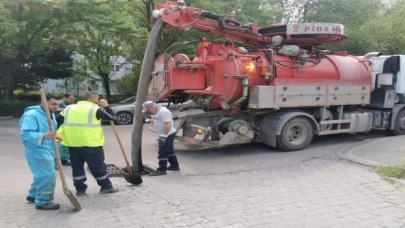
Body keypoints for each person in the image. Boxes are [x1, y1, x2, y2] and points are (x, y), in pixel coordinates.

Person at [56, 92, 119, 196]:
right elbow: (112, 117)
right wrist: (106, 106)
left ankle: (80, 190)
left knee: (77, 167)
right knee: (98, 166)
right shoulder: (95, 109)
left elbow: (57, 119)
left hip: (73, 143)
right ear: (93, 99)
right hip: (91, 144)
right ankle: (106, 186)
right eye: (97, 99)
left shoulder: (69, 108)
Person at [19, 94, 62, 210]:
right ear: (43, 102)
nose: (56, 107)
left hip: (47, 148)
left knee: (41, 173)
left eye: (58, 104)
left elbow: (48, 131)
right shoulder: (31, 115)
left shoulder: (49, 114)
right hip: (37, 150)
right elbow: (26, 135)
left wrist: (55, 135)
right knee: (47, 174)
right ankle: (43, 201)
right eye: (53, 104)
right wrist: (44, 135)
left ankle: (33, 194)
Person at [142, 100, 180, 176]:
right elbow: (160, 121)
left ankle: (161, 170)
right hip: (166, 134)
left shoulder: (163, 112)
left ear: (152, 106)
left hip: (167, 134)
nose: (148, 112)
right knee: (169, 150)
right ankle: (174, 165)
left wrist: (164, 136)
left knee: (163, 152)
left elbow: (168, 124)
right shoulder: (157, 111)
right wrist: (150, 121)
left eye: (148, 110)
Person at [56, 93, 76, 166]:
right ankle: (55, 161)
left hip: (67, 129)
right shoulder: (58, 105)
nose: (72, 101)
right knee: (58, 146)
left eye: (73, 100)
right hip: (58, 128)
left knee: (65, 145)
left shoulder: (71, 106)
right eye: (70, 99)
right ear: (64, 98)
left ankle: (64, 159)